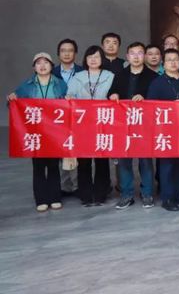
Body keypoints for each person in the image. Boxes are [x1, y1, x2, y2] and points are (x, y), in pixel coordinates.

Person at [7, 52, 68, 212]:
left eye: (46, 62)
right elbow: (15, 107)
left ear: (51, 66)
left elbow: (68, 105)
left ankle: (55, 197)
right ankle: (41, 199)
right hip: (35, 131)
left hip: (54, 131)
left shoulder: (60, 84)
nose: (42, 66)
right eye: (38, 63)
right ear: (34, 67)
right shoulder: (27, 85)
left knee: (54, 165)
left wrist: (69, 99)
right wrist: (11, 99)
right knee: (38, 166)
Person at [108, 42, 158, 209]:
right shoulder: (120, 75)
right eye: (133, 53)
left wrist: (145, 98)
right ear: (127, 57)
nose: (136, 57)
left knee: (145, 161)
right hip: (123, 125)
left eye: (139, 53)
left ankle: (147, 194)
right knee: (124, 161)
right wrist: (113, 95)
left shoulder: (153, 76)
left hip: (144, 125)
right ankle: (126, 194)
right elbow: (112, 92)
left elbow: (157, 100)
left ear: (144, 56)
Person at [146, 48, 179, 211]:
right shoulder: (157, 83)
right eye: (169, 60)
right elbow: (151, 107)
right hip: (165, 131)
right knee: (167, 165)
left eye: (175, 60)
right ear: (163, 63)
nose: (173, 63)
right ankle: (167, 198)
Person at [67, 45, 115, 207]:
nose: (93, 60)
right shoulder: (78, 77)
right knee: (84, 160)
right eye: (90, 57)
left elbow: (114, 94)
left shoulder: (110, 76)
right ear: (85, 59)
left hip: (103, 123)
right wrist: (69, 97)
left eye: (97, 57)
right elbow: (70, 95)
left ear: (102, 59)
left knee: (102, 159)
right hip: (82, 124)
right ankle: (85, 194)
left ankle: (101, 193)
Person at [52, 38, 82, 195]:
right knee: (59, 152)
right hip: (56, 119)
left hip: (78, 118)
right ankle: (63, 187)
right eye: (63, 51)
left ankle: (78, 186)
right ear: (58, 54)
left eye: (70, 50)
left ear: (75, 53)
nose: (67, 54)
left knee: (78, 151)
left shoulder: (83, 71)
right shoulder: (51, 72)